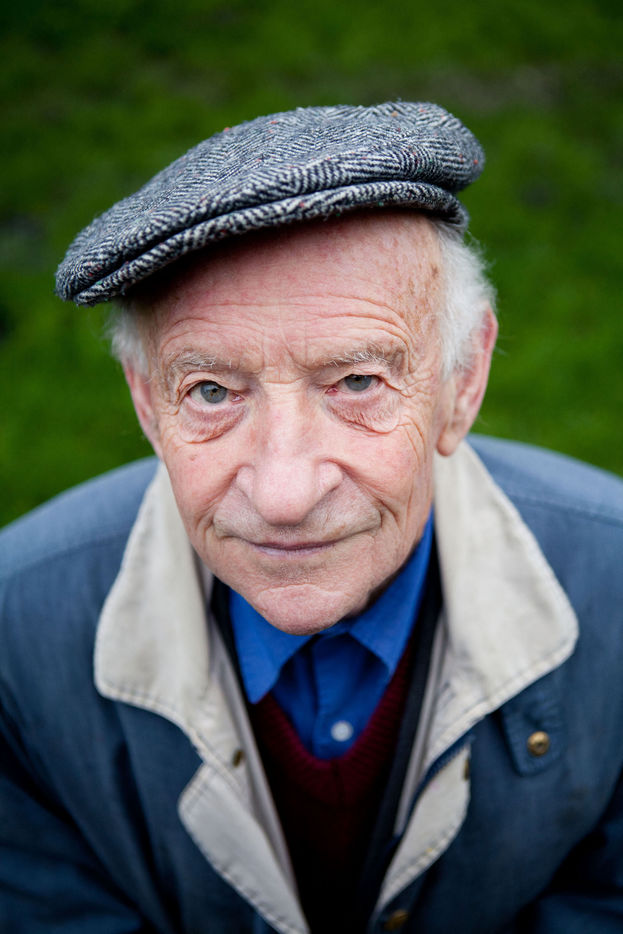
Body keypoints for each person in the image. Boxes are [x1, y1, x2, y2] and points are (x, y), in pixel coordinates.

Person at [1, 102, 622, 934]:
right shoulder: (12, 635)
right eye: (211, 392)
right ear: (147, 403)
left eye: (357, 382)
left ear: (462, 379)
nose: (284, 494)